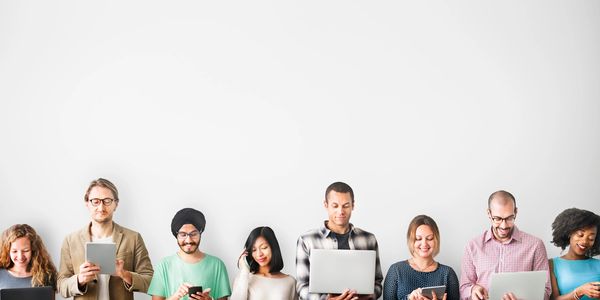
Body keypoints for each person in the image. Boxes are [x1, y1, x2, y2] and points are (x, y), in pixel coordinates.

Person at [57, 178, 154, 300]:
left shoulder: (133, 238)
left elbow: (151, 282)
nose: (101, 207)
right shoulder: (71, 241)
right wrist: (79, 280)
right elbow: (61, 285)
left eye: (107, 201)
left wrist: (124, 274)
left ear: (116, 204)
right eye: (95, 201)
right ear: (87, 203)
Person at [296, 181, 383, 300]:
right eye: (335, 206)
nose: (341, 211)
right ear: (326, 205)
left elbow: (377, 282)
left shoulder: (369, 239)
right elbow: (302, 286)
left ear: (353, 205)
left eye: (346, 205)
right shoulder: (307, 240)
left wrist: (365, 298)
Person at [459, 190, 551, 300]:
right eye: (497, 219)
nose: (504, 225)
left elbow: (546, 290)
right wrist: (473, 290)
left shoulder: (535, 245)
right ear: (489, 213)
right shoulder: (473, 246)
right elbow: (464, 288)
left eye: (509, 218)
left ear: (516, 212)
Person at [148, 207, 231, 300]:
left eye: (193, 234)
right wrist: (176, 296)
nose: (188, 240)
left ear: (200, 233)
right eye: (183, 234)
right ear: (176, 235)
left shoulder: (217, 265)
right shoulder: (163, 265)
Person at [383, 215, 459, 300]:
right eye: (418, 239)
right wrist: (408, 298)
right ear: (411, 240)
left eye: (429, 238)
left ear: (436, 240)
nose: (424, 244)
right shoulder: (396, 270)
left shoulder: (448, 273)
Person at [231, 226, 297, 300]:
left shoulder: (290, 282)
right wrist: (244, 271)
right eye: (254, 250)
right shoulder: (243, 279)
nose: (259, 254)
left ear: (273, 247)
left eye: (264, 247)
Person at [549, 208, 600, 300]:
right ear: (569, 233)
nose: (584, 241)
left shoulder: (598, 264)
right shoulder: (552, 264)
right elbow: (553, 299)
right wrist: (580, 291)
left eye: (591, 238)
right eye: (580, 235)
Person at [0, 224, 57, 290]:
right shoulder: (1, 275)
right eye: (14, 251)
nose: (20, 257)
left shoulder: (46, 276)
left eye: (25, 250)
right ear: (7, 251)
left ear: (33, 250)